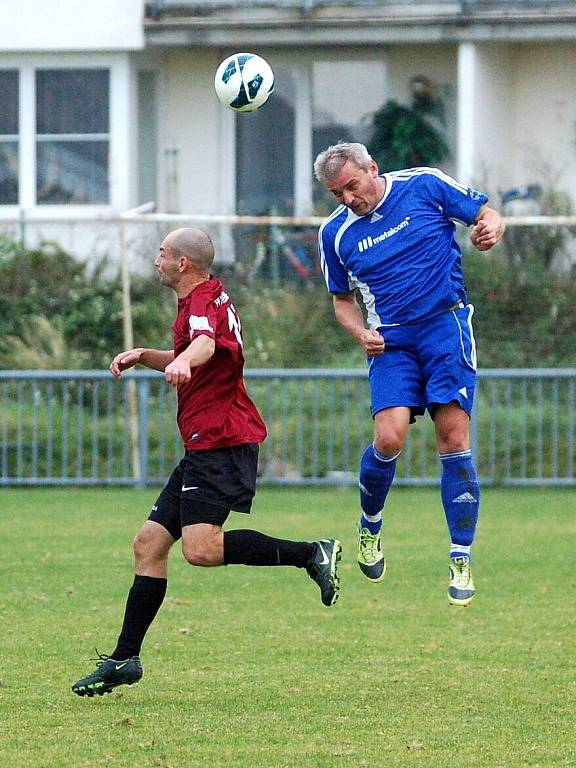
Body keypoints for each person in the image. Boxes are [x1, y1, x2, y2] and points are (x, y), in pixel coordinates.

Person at [72, 227, 341, 697]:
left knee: (201, 549)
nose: (156, 260)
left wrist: (183, 362)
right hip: (206, 444)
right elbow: (193, 349)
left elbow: (205, 348)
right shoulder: (209, 297)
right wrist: (148, 356)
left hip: (220, 441)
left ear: (182, 263)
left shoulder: (200, 301)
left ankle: (310, 553)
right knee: (148, 544)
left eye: (162, 253)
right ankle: (124, 659)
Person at [314, 142, 505, 606]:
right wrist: (361, 333)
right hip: (391, 341)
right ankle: (369, 526)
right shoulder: (335, 234)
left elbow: (487, 215)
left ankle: (461, 557)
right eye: (336, 193)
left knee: (454, 438)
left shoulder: (424, 184)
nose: (346, 199)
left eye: (351, 186)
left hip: (446, 326)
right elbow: (342, 301)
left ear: (372, 169)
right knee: (389, 438)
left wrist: (490, 228)